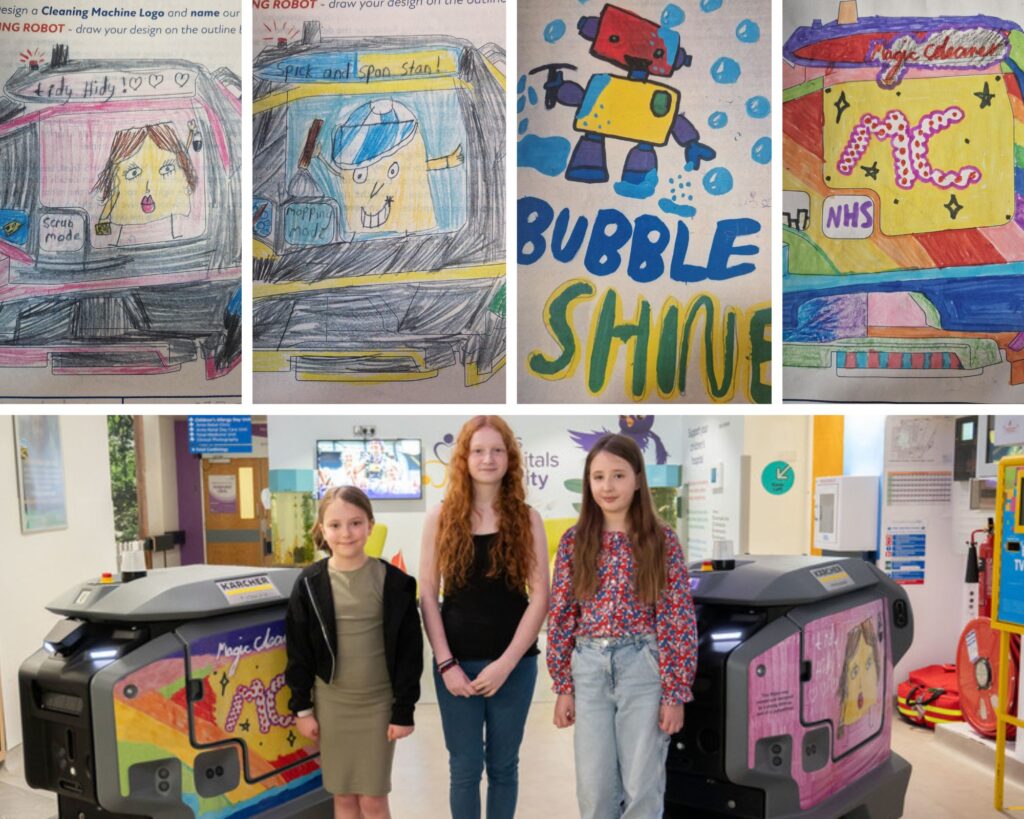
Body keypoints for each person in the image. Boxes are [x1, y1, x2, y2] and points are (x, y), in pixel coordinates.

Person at [548, 433, 697, 819]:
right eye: (598, 477)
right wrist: (563, 686)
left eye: (618, 475)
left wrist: (675, 691)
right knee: (595, 789)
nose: (607, 486)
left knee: (641, 787)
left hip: (642, 668)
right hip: (589, 669)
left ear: (637, 479)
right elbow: (563, 615)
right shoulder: (574, 541)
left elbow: (677, 616)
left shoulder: (660, 540)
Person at [419, 415, 549, 819]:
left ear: (509, 458)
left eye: (496, 450)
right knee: (464, 769)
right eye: (478, 450)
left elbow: (541, 596)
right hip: (456, 665)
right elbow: (427, 594)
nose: (488, 459)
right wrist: (446, 664)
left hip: (514, 665)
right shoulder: (439, 518)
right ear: (464, 458)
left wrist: (506, 665)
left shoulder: (527, 519)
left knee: (504, 767)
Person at [285, 486, 423, 819]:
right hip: (331, 704)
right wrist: (302, 708)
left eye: (355, 523)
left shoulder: (395, 582)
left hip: (378, 703)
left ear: (371, 525)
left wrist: (403, 708)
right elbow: (299, 648)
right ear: (321, 530)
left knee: (373, 798)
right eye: (335, 525)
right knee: (343, 795)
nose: (345, 533)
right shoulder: (308, 583)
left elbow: (410, 652)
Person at [93, 122, 197, 244]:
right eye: (133, 173)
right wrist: (103, 232)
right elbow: (104, 240)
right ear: (115, 174)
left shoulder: (178, 214)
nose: (148, 188)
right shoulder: (121, 208)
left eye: (167, 169)